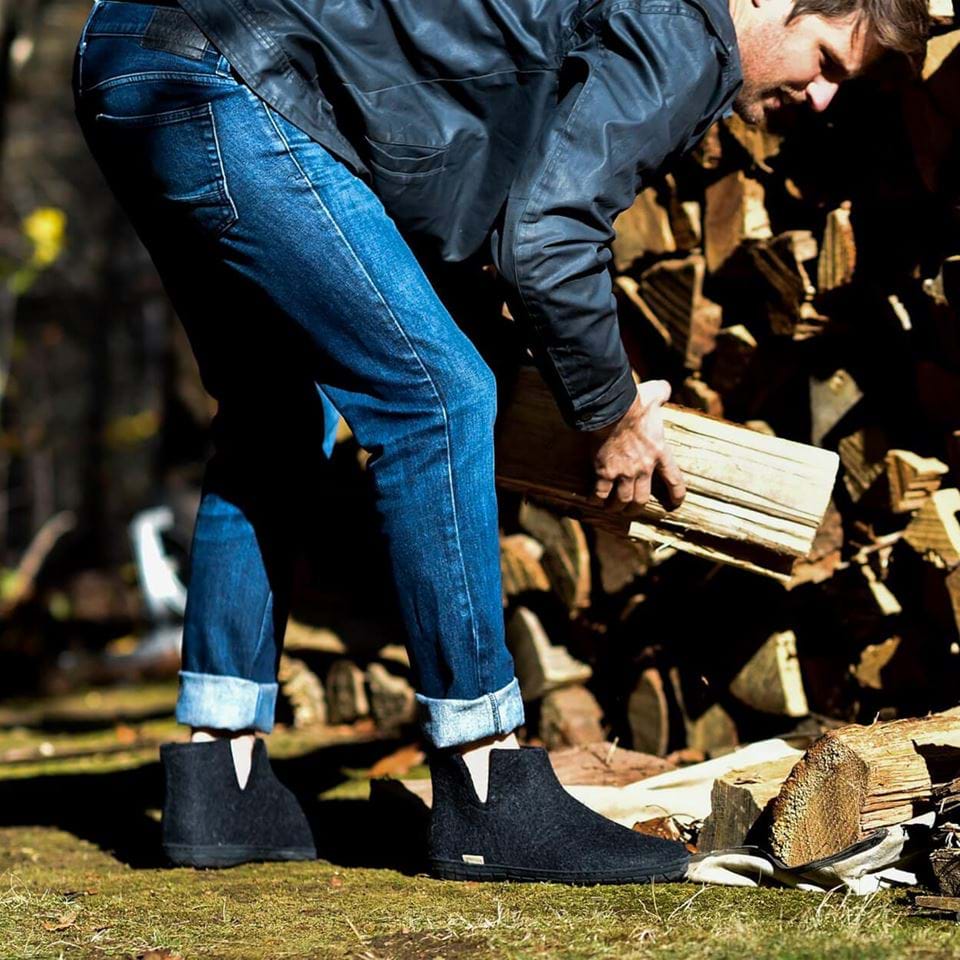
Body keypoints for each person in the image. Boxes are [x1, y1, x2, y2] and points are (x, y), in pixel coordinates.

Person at [72, 0, 926, 882]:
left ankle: (222, 777)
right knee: (437, 399)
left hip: (131, 47)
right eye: (824, 59)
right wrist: (613, 411)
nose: (823, 97)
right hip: (220, 72)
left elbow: (439, 151)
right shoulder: (686, 27)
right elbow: (549, 237)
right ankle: (486, 781)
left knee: (272, 411)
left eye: (840, 83)